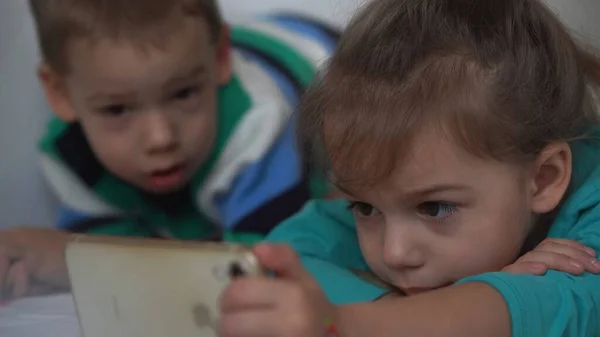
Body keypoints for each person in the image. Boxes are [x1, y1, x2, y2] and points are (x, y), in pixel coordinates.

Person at [217, 0, 600, 336]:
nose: (394, 253)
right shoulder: (417, 194)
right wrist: (403, 310)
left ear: (543, 179)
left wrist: (344, 324)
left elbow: (563, 311)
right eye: (365, 208)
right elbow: (290, 252)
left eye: (433, 208)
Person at [0, 0, 338, 302]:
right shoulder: (71, 154)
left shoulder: (257, 123)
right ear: (59, 93)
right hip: (240, 42)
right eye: (117, 110)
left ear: (220, 57)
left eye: (184, 94)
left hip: (324, 55)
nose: (160, 138)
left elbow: (263, 275)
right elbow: (121, 256)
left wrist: (66, 257)